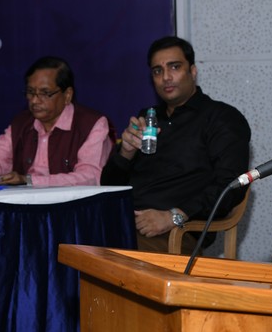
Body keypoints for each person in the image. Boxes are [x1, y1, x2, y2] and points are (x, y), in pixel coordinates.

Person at [101, 35, 251, 253]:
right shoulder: (148, 118)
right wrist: (125, 152)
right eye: (157, 71)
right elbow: (108, 187)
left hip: (177, 232)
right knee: (68, 244)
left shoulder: (221, 118)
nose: (166, 77)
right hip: (122, 223)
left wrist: (174, 216)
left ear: (193, 71)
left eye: (174, 67)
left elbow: (232, 185)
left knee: (103, 254)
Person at [0, 56, 114, 186]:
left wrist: (30, 181)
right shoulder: (21, 123)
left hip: (72, 208)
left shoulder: (93, 124)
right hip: (25, 206)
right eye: (30, 92)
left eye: (45, 93)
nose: (35, 100)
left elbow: (90, 177)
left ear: (67, 95)